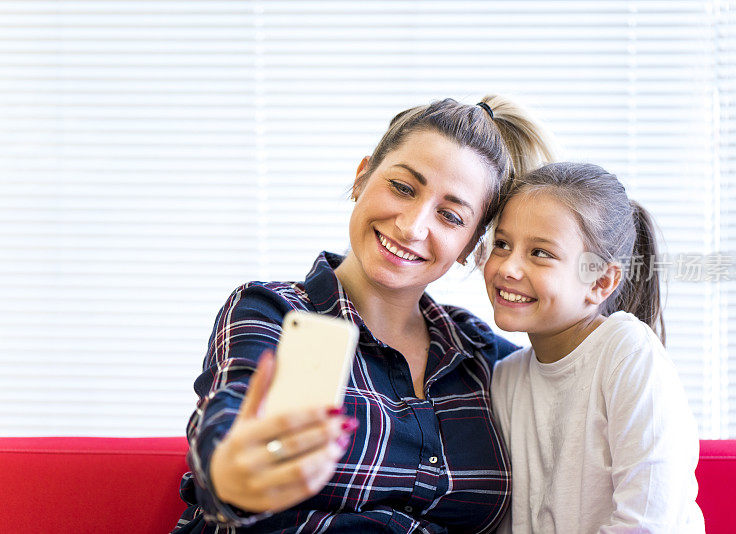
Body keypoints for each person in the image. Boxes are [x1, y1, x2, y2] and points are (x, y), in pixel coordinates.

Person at [172, 96, 556, 533]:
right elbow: (225, 423)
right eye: (403, 188)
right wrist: (232, 476)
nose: (412, 226)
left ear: (471, 246)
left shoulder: (479, 353)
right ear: (362, 177)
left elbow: (578, 381)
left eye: (450, 216)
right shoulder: (271, 312)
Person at [486, 163, 705, 533]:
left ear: (601, 281)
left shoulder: (628, 353)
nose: (508, 267)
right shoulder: (505, 377)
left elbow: (648, 522)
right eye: (502, 244)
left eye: (540, 253)